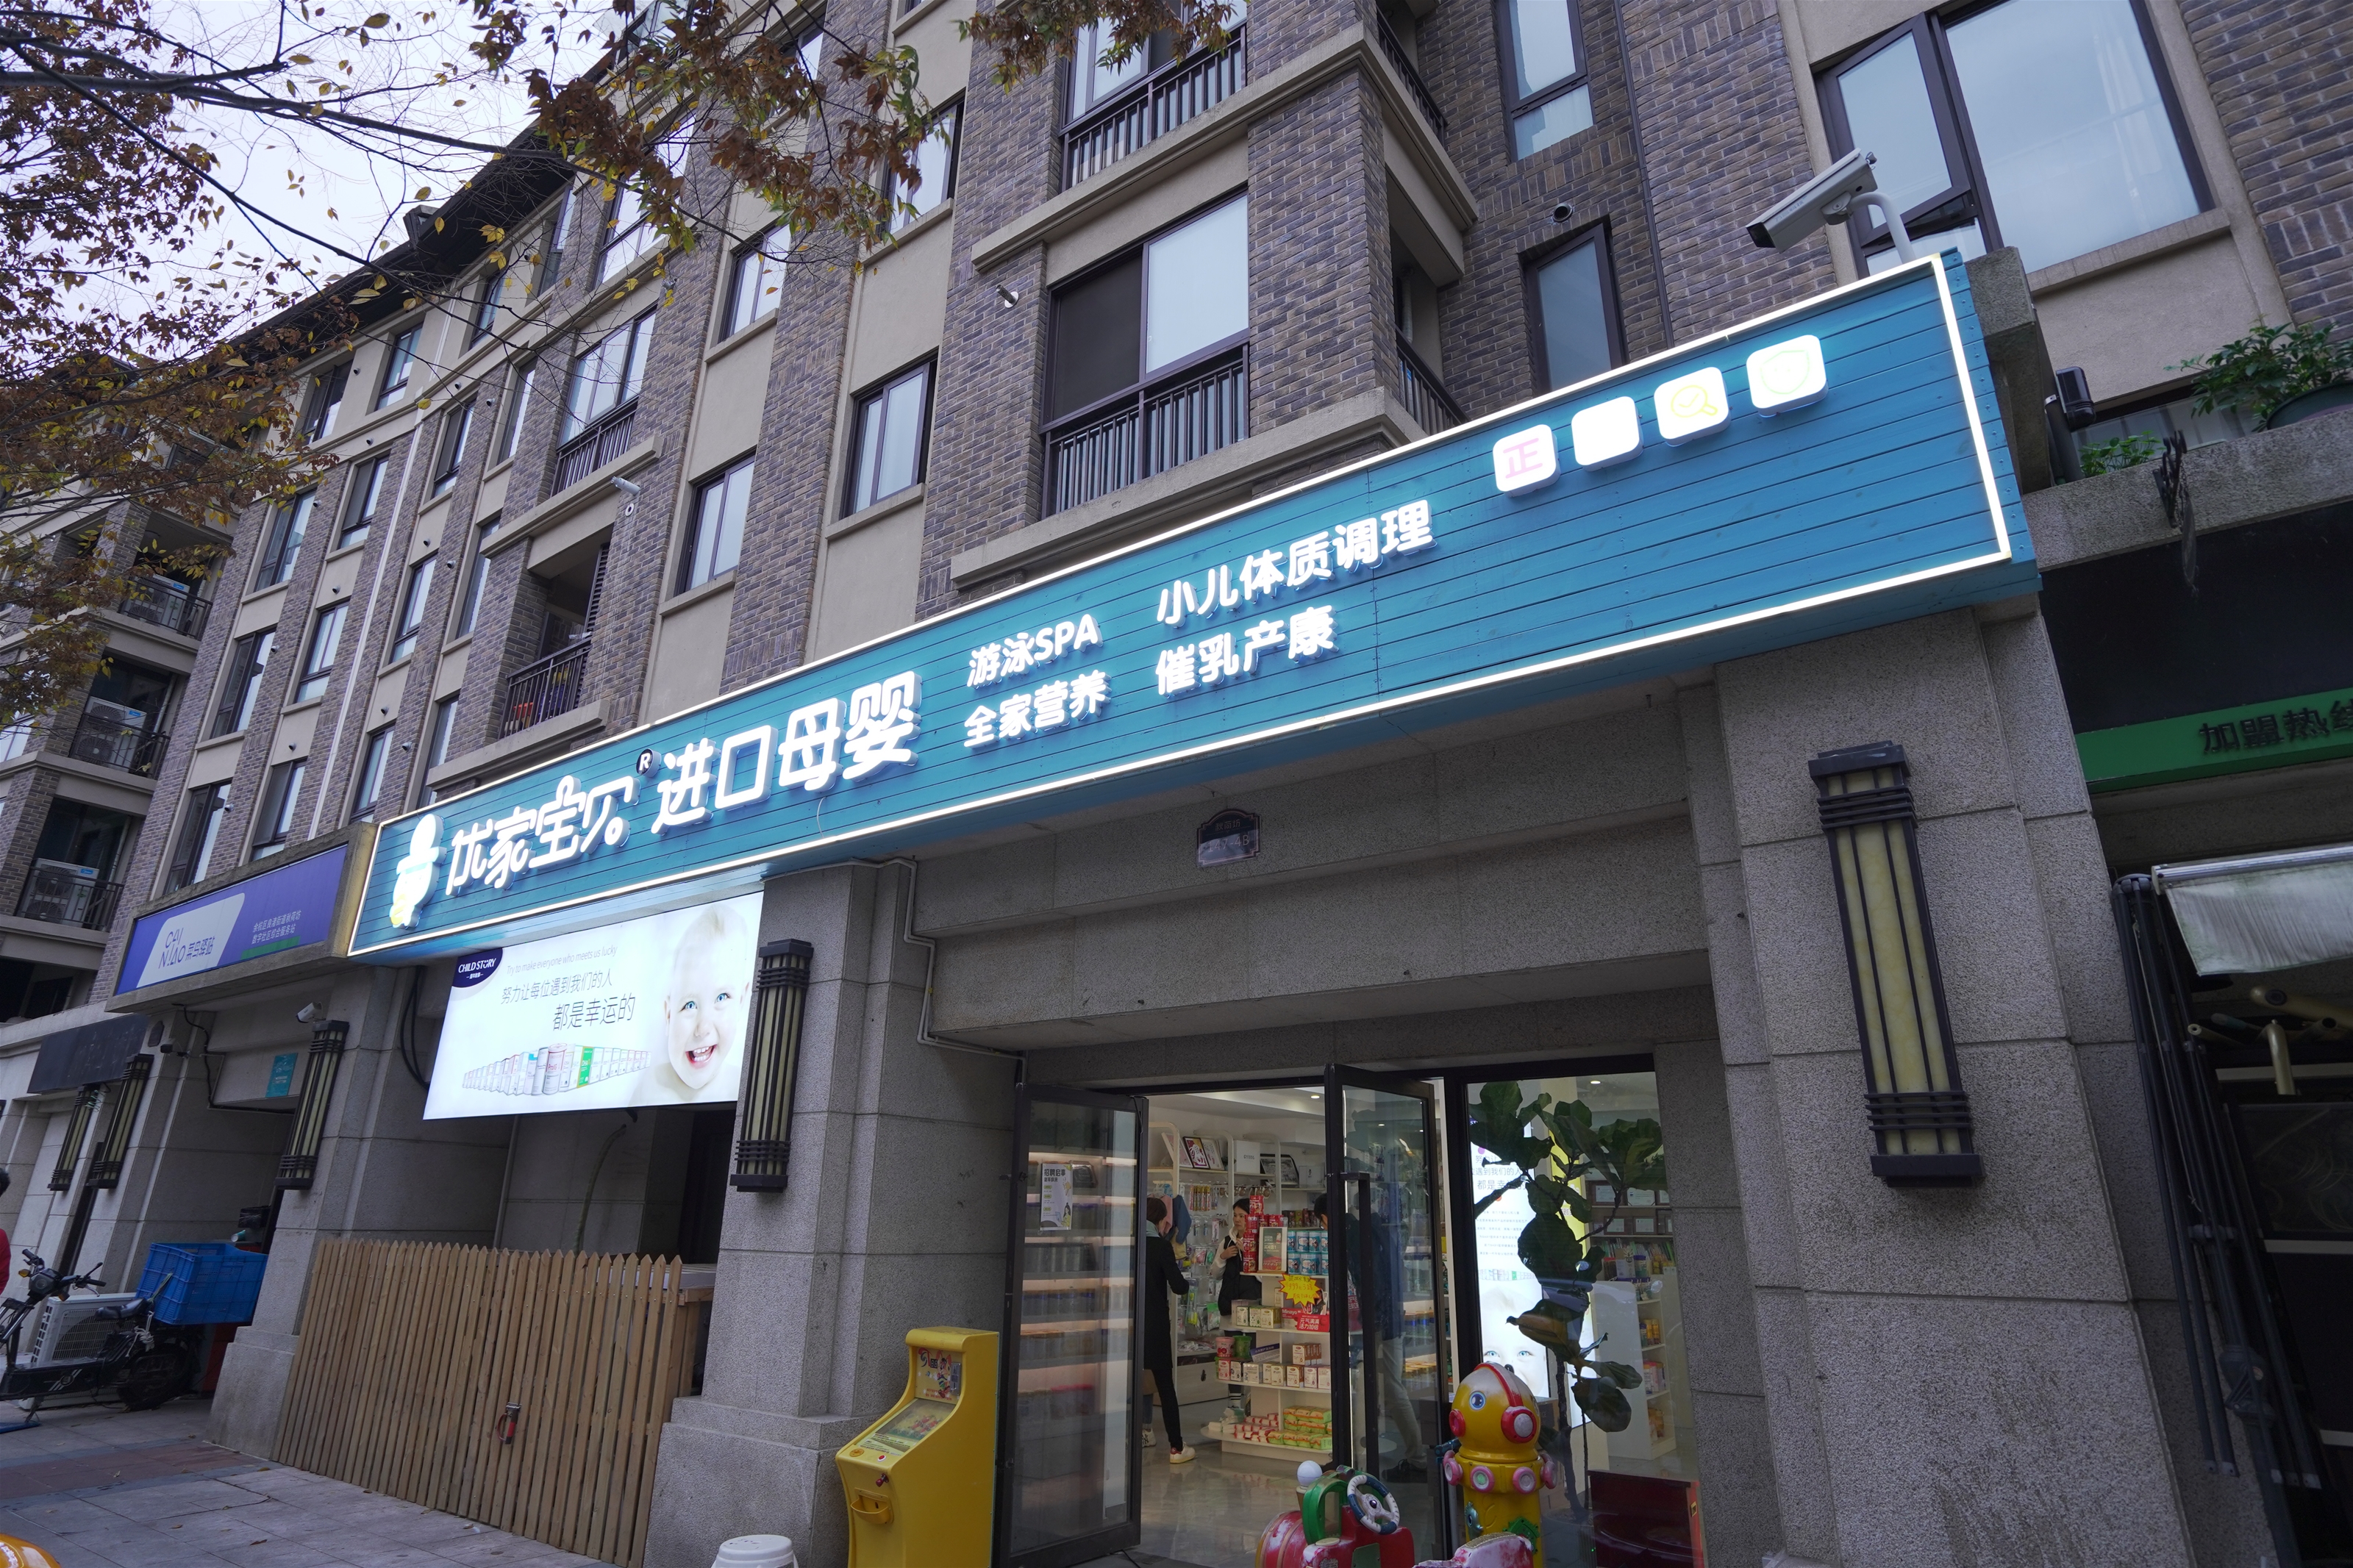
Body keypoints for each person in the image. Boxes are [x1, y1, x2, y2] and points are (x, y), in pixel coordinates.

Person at [1142, 1196, 1195, 1464]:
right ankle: (1177, 1447)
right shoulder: (1160, 1247)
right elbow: (1179, 1286)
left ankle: (1134, 1436)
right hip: (1155, 1326)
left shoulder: (1129, 1244)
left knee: (1128, 1384)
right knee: (1165, 1386)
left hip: (1126, 1326)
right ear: (1161, 1221)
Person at [1217, 1199, 1263, 1315]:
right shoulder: (1227, 1242)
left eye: (1242, 1216)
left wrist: (1248, 1254)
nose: (1237, 1220)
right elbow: (1216, 1275)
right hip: (1228, 1306)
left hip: (1253, 1307)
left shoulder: (1260, 1241)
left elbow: (1265, 1278)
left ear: (1252, 1218)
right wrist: (1222, 1257)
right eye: (1235, 1215)